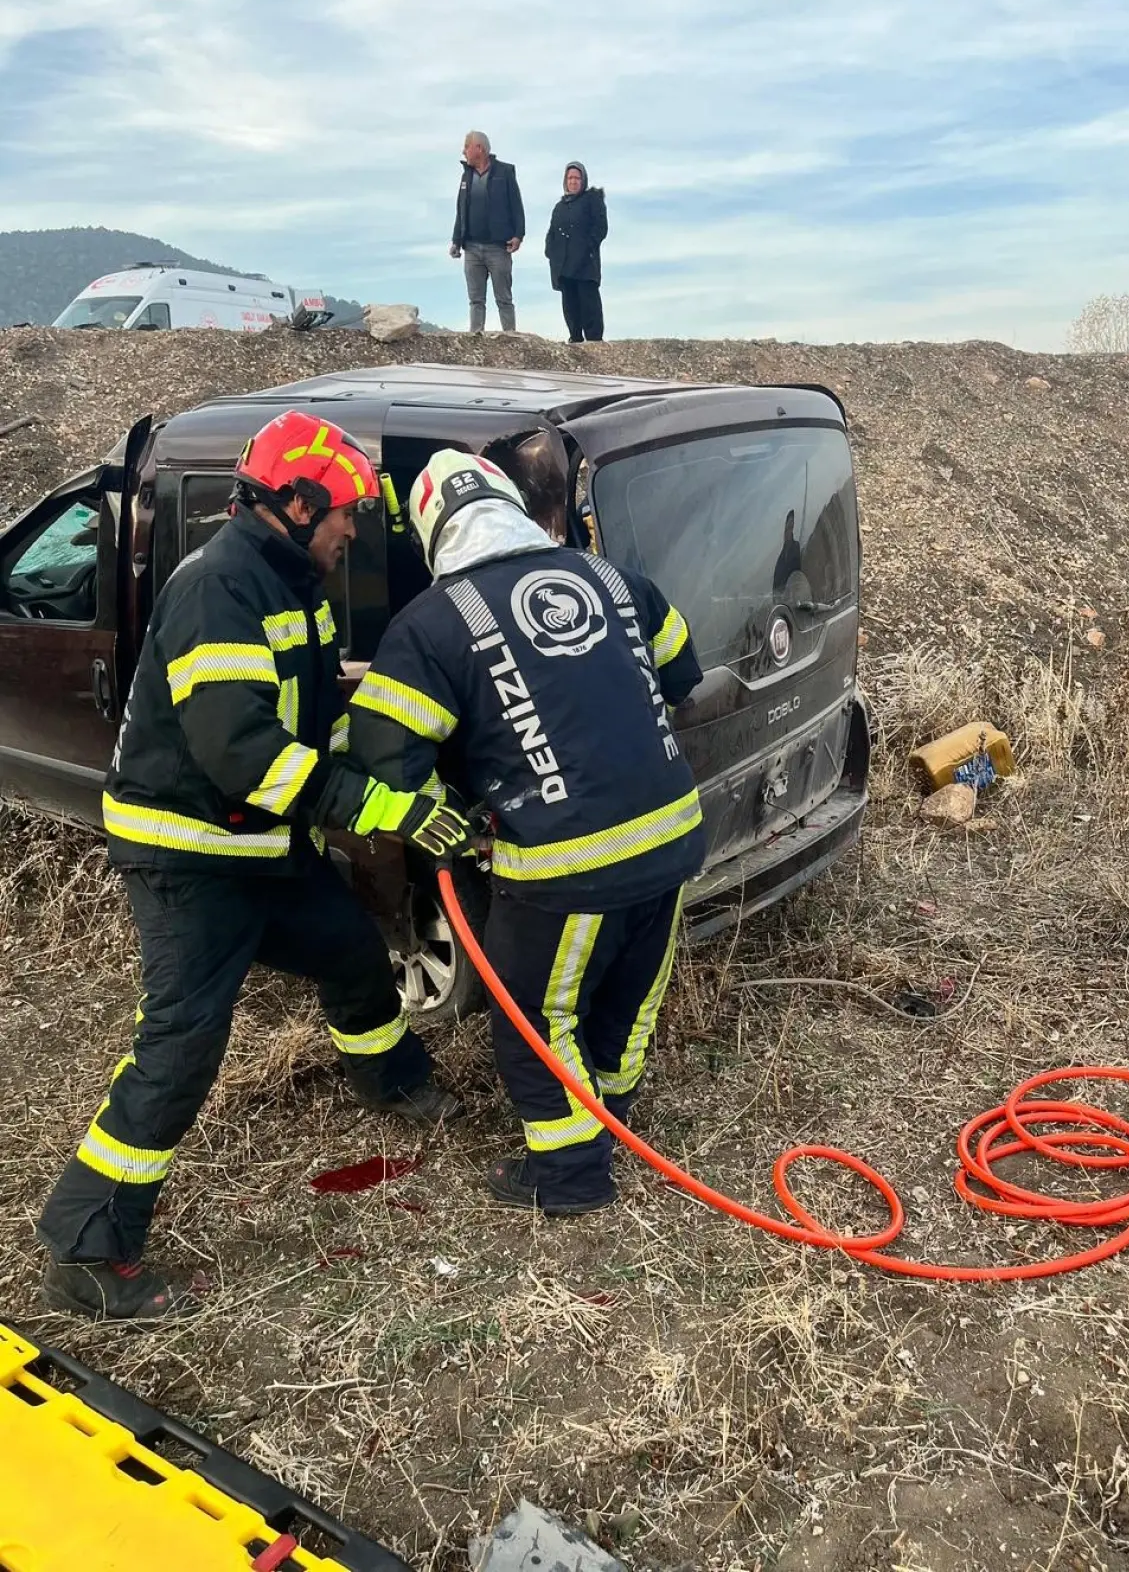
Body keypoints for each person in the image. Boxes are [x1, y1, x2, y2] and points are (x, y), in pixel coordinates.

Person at [37, 411, 470, 1321]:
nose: (353, 529)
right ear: (296, 502)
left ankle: (391, 1080)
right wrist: (377, 808)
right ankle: (84, 1243)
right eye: (345, 512)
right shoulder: (218, 592)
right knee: (183, 1046)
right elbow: (245, 752)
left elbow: (310, 721)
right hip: (189, 860)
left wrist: (397, 750)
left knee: (352, 948)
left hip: (261, 845)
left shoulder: (292, 584)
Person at [348, 449, 704, 1215]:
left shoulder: (433, 623)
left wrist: (458, 798)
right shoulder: (614, 579)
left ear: (430, 534)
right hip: (672, 836)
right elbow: (682, 675)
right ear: (512, 503)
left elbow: (383, 751)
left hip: (565, 864)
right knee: (628, 1001)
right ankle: (609, 1125)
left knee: (537, 1017)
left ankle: (572, 1175)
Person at [450, 131, 525, 333]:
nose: (463, 151)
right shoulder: (466, 175)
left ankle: (510, 338)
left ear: (479, 149)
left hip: (498, 247)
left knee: (504, 298)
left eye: (467, 146)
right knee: (476, 299)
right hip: (472, 247)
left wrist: (519, 235)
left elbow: (516, 206)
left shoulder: (505, 172)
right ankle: (476, 338)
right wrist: (456, 241)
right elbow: (461, 209)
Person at [544, 161, 608, 343]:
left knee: (589, 303)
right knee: (570, 306)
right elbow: (552, 232)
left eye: (577, 178)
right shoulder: (560, 207)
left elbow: (600, 227)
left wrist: (588, 247)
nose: (573, 181)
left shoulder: (591, 200)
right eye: (570, 178)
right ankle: (575, 338)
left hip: (585, 265)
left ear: (583, 180)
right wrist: (550, 251)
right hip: (564, 266)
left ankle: (595, 341)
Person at [773, 509, 803, 592]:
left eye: (790, 528)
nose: (788, 532)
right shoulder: (780, 559)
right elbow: (776, 589)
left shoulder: (796, 547)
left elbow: (799, 575)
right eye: (787, 529)